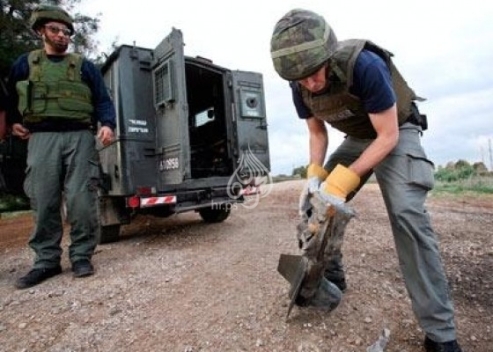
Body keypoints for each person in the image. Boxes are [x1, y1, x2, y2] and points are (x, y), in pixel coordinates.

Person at [270, 9, 462, 352]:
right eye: (302, 79)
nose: (311, 84)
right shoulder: (298, 81)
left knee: (406, 215)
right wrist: (315, 177)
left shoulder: (364, 66)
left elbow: (386, 137)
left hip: (396, 131)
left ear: (327, 56)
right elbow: (317, 132)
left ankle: (441, 332)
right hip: (357, 137)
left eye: (314, 74)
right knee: (315, 209)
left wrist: (342, 182)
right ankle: (329, 276)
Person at [7, 5, 116, 289]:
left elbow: (103, 100)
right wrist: (13, 123)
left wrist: (107, 124)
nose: (62, 35)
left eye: (66, 31)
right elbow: (9, 99)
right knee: (44, 200)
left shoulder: (84, 66)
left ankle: (81, 256)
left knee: (82, 200)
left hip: (79, 136)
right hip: (41, 138)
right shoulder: (25, 64)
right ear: (41, 31)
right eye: (55, 29)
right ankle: (46, 262)